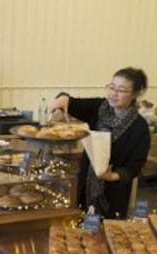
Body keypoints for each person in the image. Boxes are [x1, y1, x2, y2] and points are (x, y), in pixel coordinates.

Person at [51, 67, 150, 219]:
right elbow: (69, 100)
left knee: (107, 236)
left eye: (121, 90)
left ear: (135, 94)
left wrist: (112, 176)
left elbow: (135, 166)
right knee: (77, 232)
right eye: (112, 87)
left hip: (113, 193)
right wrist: (61, 100)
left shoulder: (139, 127)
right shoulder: (99, 107)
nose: (113, 93)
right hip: (85, 185)